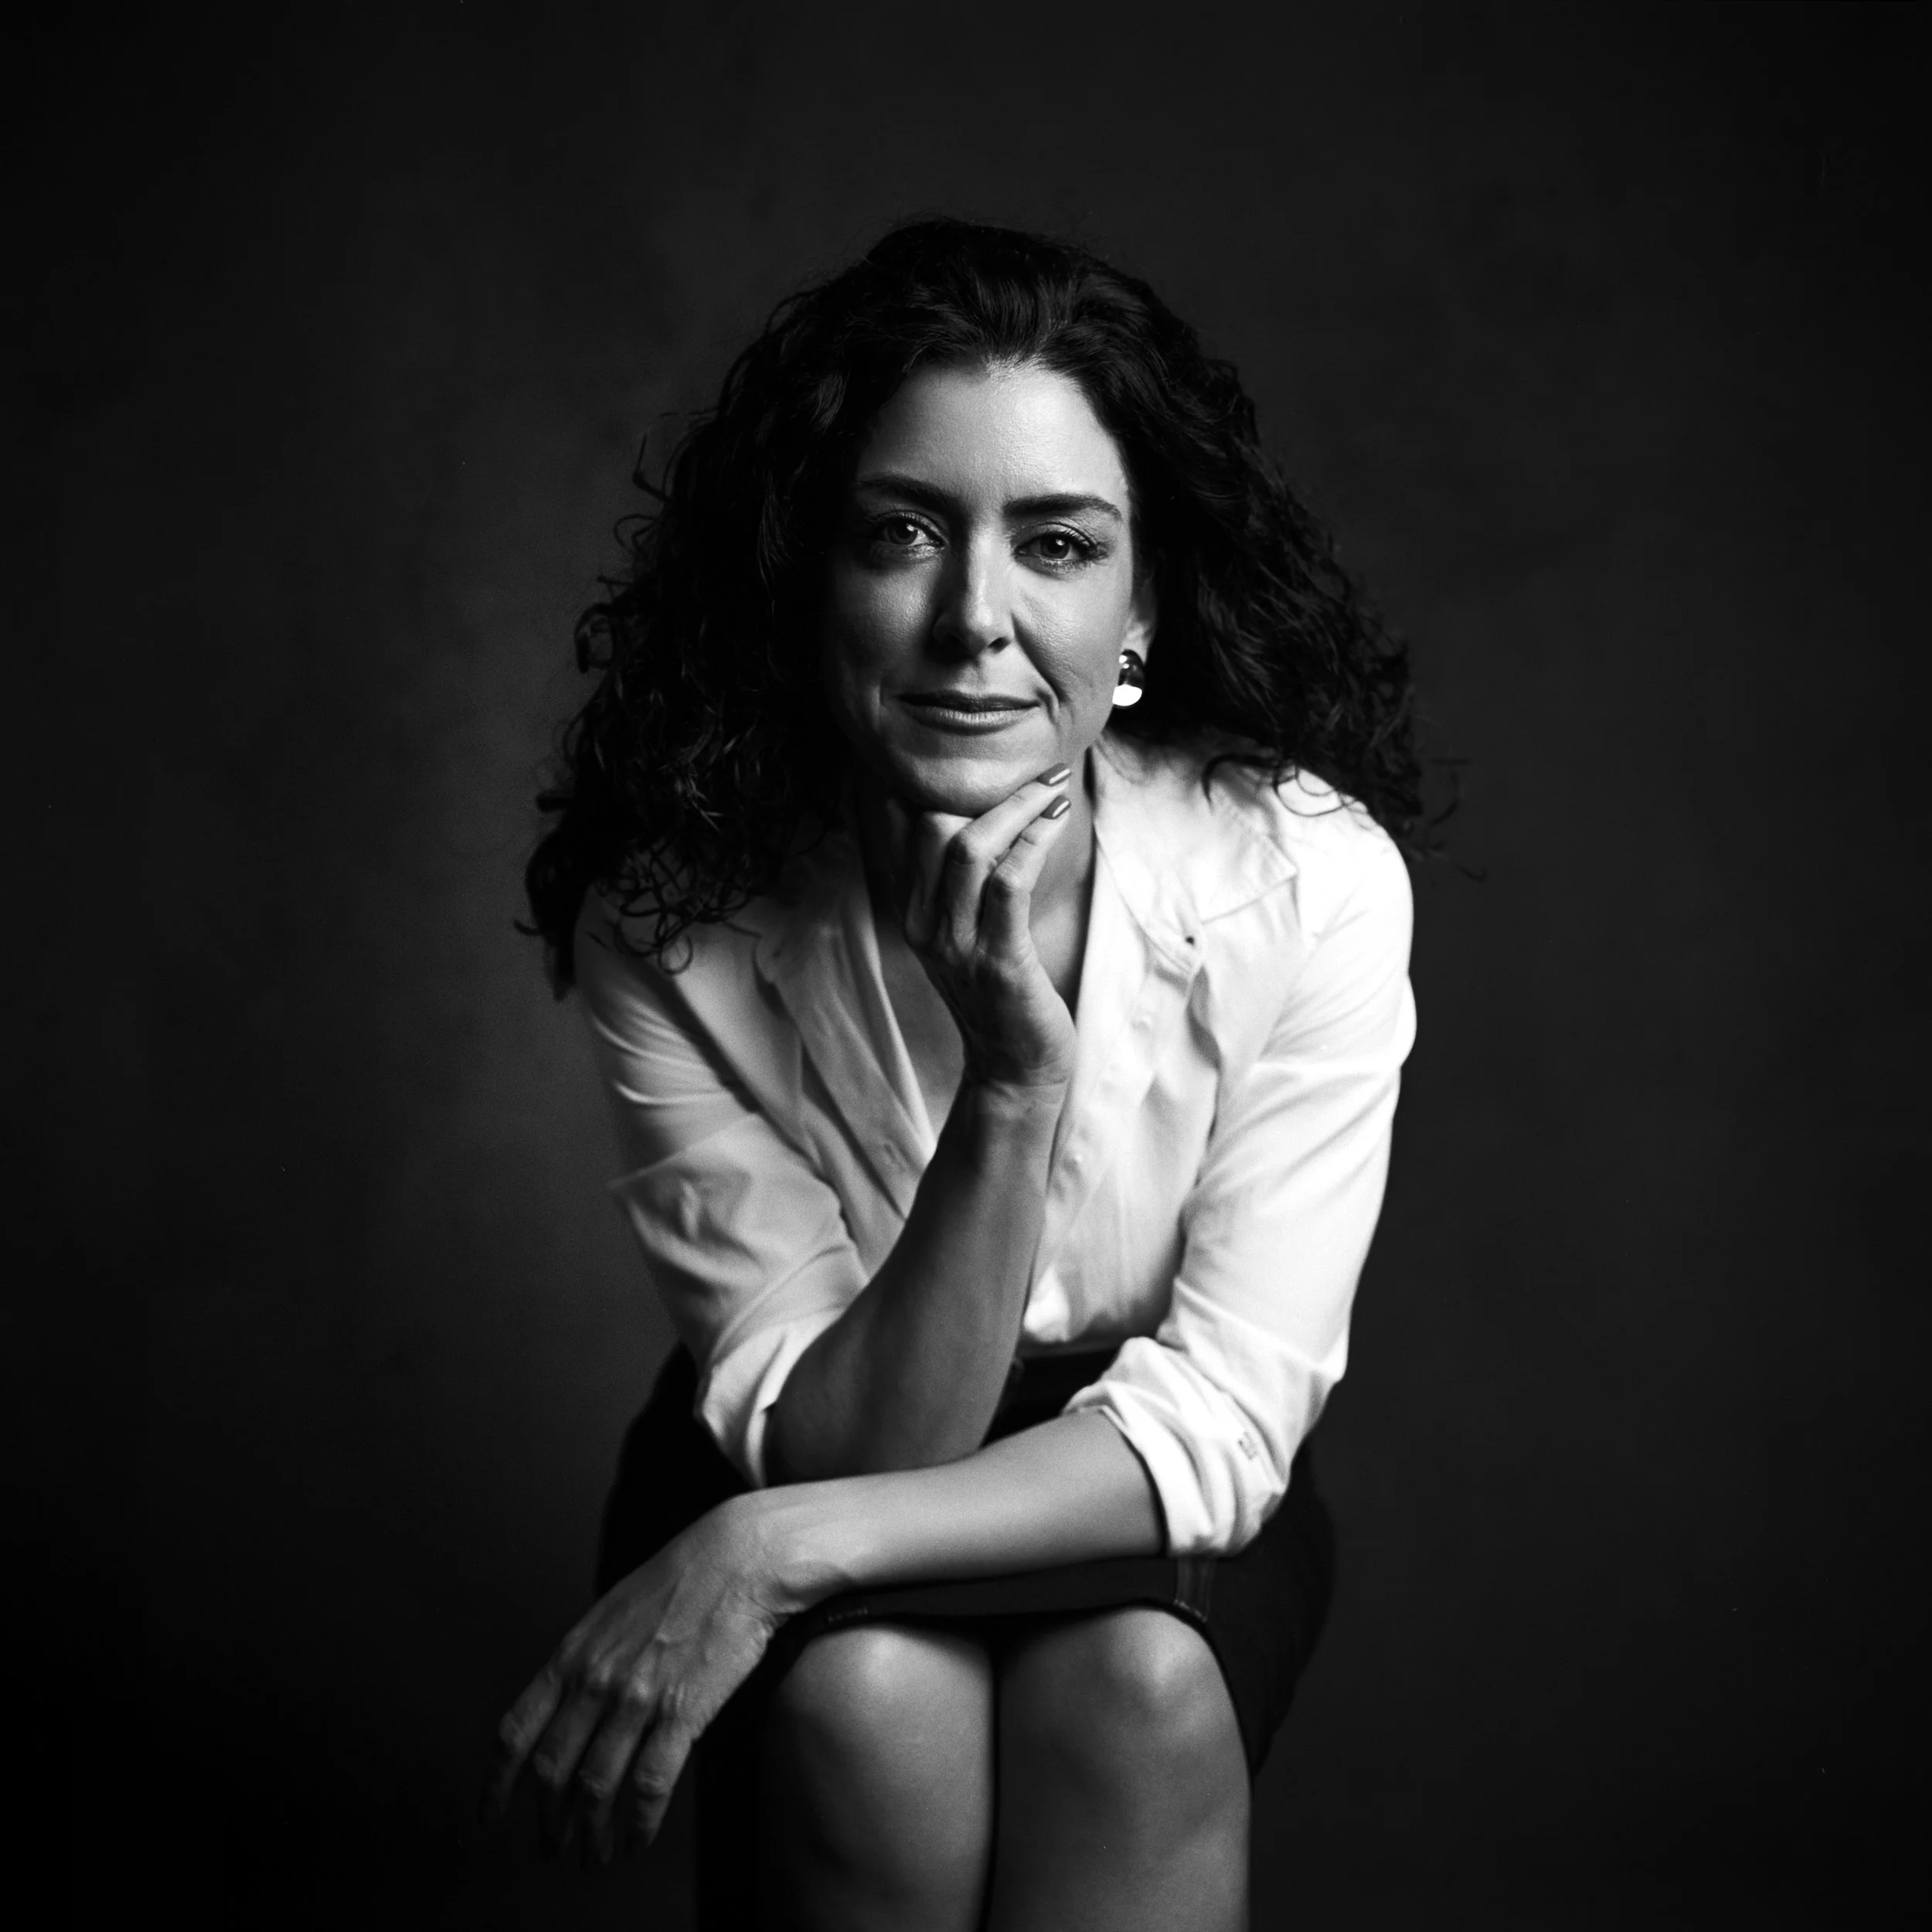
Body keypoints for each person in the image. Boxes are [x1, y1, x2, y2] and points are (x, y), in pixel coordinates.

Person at [490, 217, 1423, 1930]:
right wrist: (1008, 1086)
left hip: (1124, 1476)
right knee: (869, 1703)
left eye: (1057, 543)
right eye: (901, 531)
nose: (972, 619)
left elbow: (1216, 1423)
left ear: (1141, 603)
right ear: (806, 574)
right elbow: (840, 1440)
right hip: (812, 1440)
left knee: (1140, 1686)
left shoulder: (1305, 876)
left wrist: (760, 1557)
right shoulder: (674, 916)